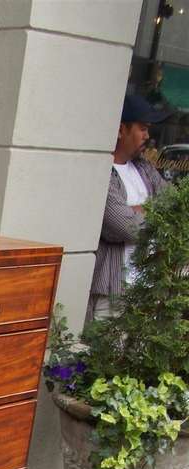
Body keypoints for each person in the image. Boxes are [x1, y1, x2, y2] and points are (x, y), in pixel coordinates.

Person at [88, 95, 168, 321]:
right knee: (108, 355)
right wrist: (153, 212)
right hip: (115, 292)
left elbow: (173, 208)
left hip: (149, 289)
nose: (147, 136)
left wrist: (138, 209)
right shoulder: (103, 172)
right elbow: (125, 226)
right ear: (122, 129)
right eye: (142, 128)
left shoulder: (144, 169)